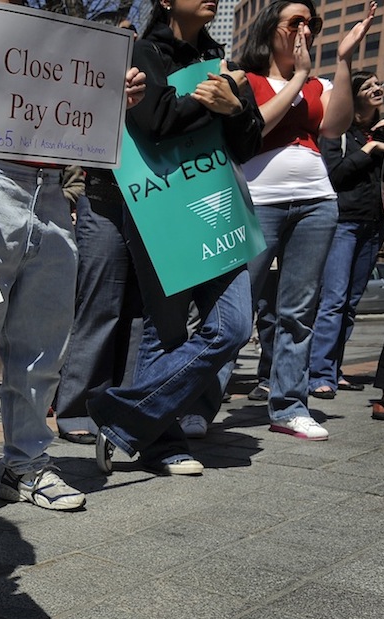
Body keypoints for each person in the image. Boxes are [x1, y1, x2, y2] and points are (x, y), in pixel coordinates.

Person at [0, 2, 146, 529]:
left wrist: (113, 101)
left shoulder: (60, 23)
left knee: (43, 342)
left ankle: (24, 465)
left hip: (51, 186)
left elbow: (79, 114)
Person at [87, 0, 264, 476]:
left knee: (233, 325)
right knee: (164, 329)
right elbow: (158, 122)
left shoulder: (220, 60)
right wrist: (220, 101)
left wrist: (233, 108)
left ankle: (123, 418)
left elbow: (248, 141)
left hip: (215, 204)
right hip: (159, 204)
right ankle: (162, 443)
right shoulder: (142, 51)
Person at [236, 0, 376, 440]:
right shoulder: (249, 79)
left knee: (298, 312)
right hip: (259, 201)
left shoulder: (319, 84)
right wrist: (296, 77)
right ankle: (200, 404)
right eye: (294, 22)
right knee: (235, 308)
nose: (304, 30)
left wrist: (345, 60)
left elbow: (333, 128)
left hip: (316, 202)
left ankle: (289, 406)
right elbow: (254, 128)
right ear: (269, 29)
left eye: (310, 23)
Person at [54, 13, 145, 446]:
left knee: (137, 313)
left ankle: (119, 408)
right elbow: (69, 144)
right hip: (102, 199)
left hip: (149, 203)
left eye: (132, 37)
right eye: (117, 37)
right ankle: (77, 408)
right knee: (99, 305)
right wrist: (73, 199)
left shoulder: (148, 81)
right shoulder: (81, 83)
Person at [308, 70, 384, 398]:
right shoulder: (339, 129)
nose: (377, 88)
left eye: (379, 84)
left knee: (351, 303)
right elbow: (334, 174)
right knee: (334, 300)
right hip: (343, 222)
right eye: (368, 85)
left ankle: (334, 369)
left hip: (374, 224)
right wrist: (370, 148)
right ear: (353, 94)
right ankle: (318, 375)